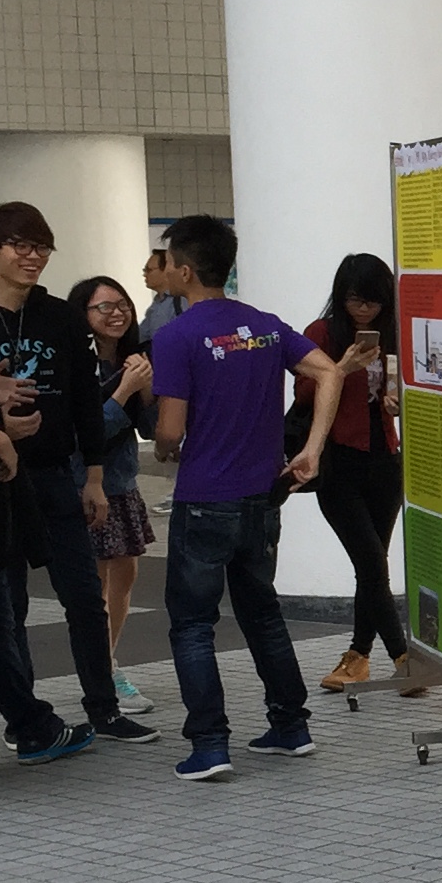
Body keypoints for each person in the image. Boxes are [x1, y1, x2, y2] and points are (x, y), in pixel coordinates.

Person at [148, 213, 340, 781]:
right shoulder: (265, 326)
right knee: (262, 613)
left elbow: (168, 431)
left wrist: (163, 446)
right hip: (262, 498)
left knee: (191, 623)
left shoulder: (176, 336)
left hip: (205, 498)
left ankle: (209, 744)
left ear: (184, 270)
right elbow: (329, 373)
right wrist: (313, 448)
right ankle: (290, 726)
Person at [0, 205, 153, 747]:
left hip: (58, 474)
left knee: (83, 595)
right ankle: (26, 718)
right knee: (9, 603)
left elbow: (81, 402)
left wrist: (94, 478)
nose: (32, 257)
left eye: (42, 247)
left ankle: (103, 708)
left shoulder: (61, 317)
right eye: (19, 246)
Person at [304, 253, 409, 693]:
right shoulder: (321, 334)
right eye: (354, 301)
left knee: (374, 565)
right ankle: (404, 658)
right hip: (336, 462)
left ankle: (357, 657)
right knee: (370, 561)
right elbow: (304, 391)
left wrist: (398, 403)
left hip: (384, 458)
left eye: (374, 303)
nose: (364, 311)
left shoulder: (395, 335)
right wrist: (342, 367)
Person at [67, 274, 157, 716]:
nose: (117, 312)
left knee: (124, 580)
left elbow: (154, 430)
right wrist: (123, 391)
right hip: (86, 485)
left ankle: (108, 660)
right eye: (104, 306)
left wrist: (144, 389)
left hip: (122, 484)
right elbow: (88, 434)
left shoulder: (133, 359)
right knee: (96, 585)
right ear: (82, 314)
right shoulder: (73, 365)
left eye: (122, 304)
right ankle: (102, 674)